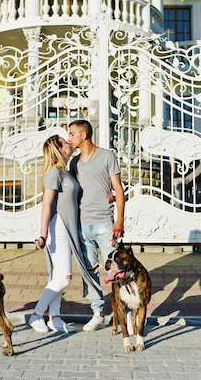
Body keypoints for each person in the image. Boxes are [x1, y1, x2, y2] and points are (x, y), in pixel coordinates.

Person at [28, 134, 101, 333]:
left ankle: (55, 317)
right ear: (60, 149)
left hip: (67, 228)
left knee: (59, 275)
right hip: (57, 226)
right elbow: (47, 205)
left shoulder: (66, 172)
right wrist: (43, 234)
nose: (69, 143)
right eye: (65, 142)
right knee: (65, 277)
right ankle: (36, 314)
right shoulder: (54, 173)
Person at [67, 120, 126, 332]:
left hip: (105, 224)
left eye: (72, 134)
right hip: (83, 225)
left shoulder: (107, 156)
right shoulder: (73, 163)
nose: (69, 138)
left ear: (84, 135)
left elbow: (118, 189)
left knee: (118, 270)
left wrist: (119, 221)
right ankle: (98, 312)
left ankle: (125, 313)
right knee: (90, 271)